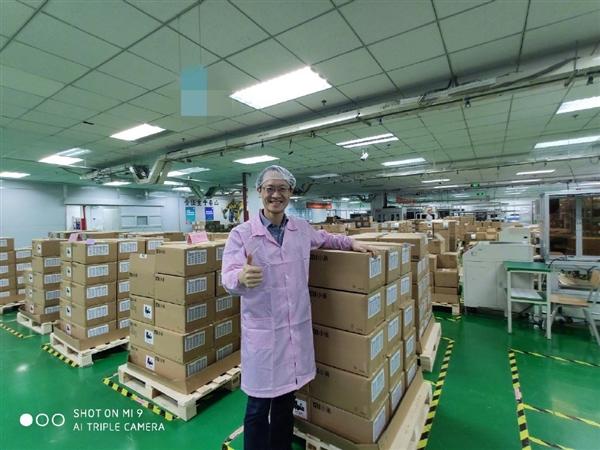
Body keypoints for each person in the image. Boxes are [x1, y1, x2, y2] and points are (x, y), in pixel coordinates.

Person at [221, 165, 376, 450]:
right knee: (257, 408)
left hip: (295, 332)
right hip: (264, 334)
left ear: (290, 192)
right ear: (260, 192)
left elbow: (326, 238)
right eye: (270, 189)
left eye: (282, 189)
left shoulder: (301, 229)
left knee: (286, 402)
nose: (275, 195)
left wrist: (351, 242)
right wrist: (240, 277)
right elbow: (228, 278)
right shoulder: (241, 234)